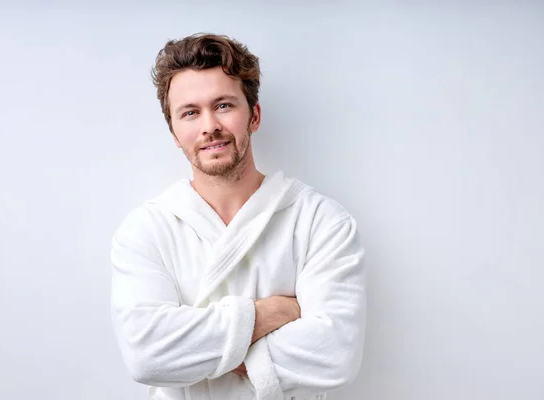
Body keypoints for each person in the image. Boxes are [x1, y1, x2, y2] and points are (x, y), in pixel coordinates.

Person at [110, 32, 366, 400]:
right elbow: (146, 355)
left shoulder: (320, 221)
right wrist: (269, 315)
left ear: (254, 115)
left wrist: (197, 354)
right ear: (174, 132)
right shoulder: (146, 230)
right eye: (190, 113)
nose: (209, 126)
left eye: (224, 105)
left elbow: (336, 353)